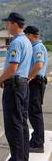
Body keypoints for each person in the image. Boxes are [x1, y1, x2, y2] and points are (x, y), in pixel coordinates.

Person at [0, 12, 32, 161]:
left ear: (14, 24)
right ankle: (23, 159)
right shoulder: (26, 41)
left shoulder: (17, 42)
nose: (6, 26)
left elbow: (12, 67)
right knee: (22, 123)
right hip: (23, 84)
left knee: (13, 125)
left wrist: (0, 79)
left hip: (15, 85)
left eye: (8, 23)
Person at [24, 25, 48, 153]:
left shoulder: (37, 47)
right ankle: (36, 140)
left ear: (30, 35)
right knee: (33, 113)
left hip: (36, 82)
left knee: (35, 112)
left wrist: (28, 77)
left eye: (26, 36)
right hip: (36, 81)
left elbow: (38, 65)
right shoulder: (36, 46)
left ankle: (38, 143)